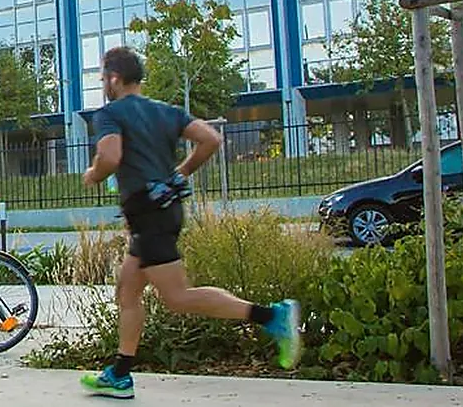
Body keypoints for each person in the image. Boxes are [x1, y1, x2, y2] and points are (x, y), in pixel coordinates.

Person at [78, 45, 300, 398]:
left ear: (115, 79)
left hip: (149, 216)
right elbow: (210, 139)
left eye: (104, 76)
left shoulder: (111, 113)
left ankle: (271, 316)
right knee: (128, 291)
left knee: (178, 297)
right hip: (159, 212)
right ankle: (119, 375)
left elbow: (110, 155)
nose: (103, 82)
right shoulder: (165, 111)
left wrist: (94, 173)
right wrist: (179, 174)